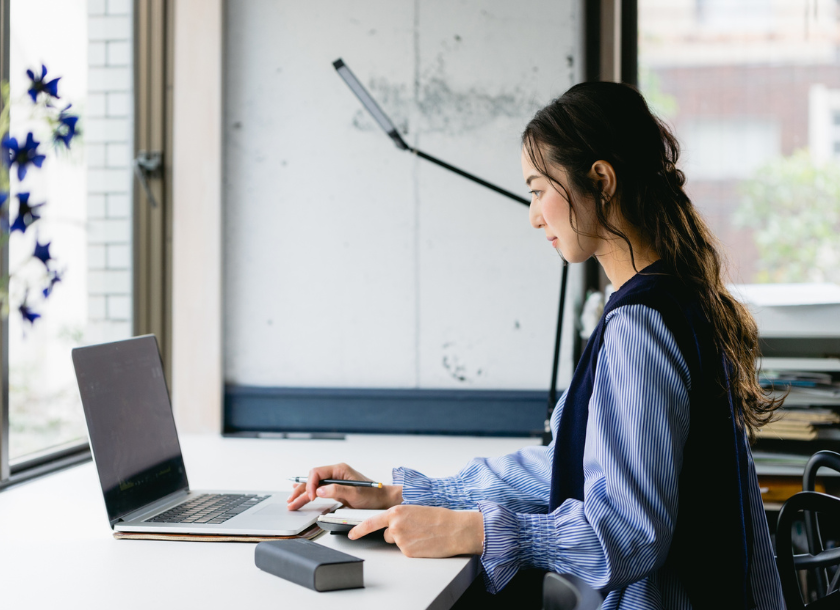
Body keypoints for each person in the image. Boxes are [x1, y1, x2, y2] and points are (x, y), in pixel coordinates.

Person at [287, 82, 785, 609]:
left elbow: (629, 533)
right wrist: (402, 494)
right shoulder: (674, 297)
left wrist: (479, 533)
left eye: (537, 189)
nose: (533, 215)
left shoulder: (640, 325)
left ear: (600, 180)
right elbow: (569, 467)